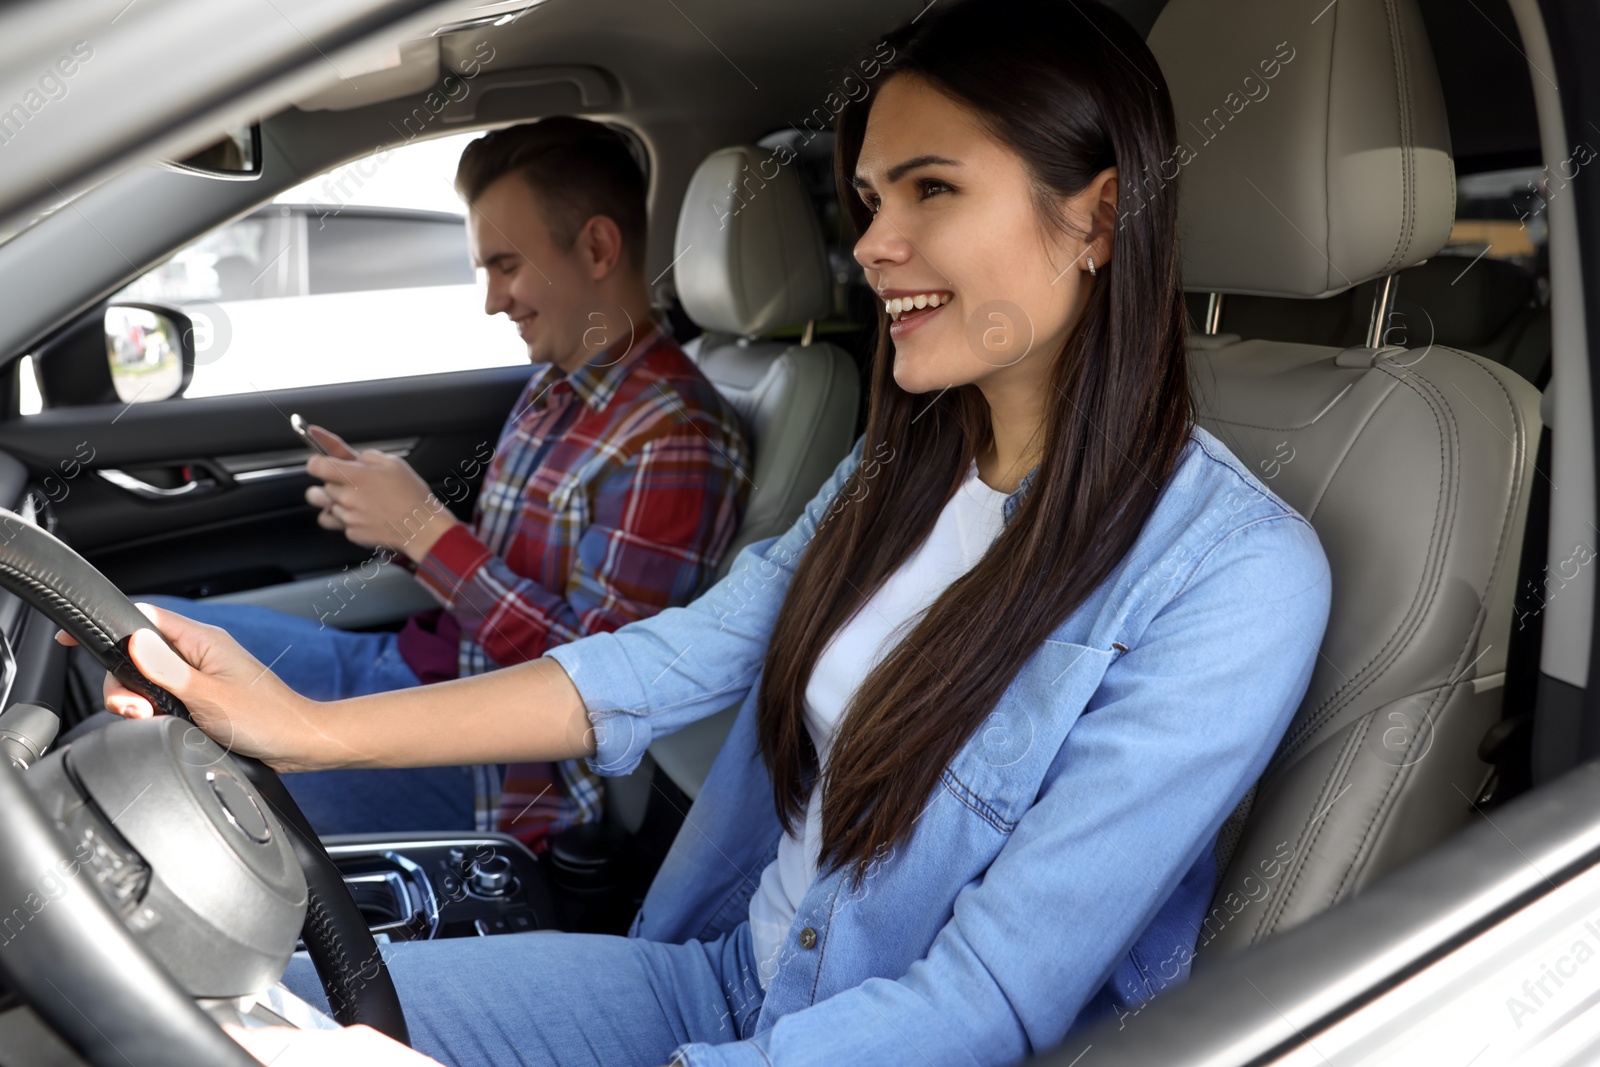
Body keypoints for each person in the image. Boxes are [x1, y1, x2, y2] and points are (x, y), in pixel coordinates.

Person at [92, 1, 1332, 1063]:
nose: (871, 245)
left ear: (1098, 219)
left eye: (931, 189)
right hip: (716, 979)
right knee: (232, 1021)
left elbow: (991, 999)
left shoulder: (1232, 576)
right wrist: (304, 734)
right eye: (865, 198)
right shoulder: (897, 469)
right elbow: (662, 661)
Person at [128, 116, 751, 848]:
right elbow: (507, 576)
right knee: (139, 633)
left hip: (500, 769)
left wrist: (426, 531)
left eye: (507, 264)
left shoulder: (671, 434)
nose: (491, 299)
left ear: (597, 247)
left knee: (159, 767)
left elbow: (604, 683)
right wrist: (395, 527)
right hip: (422, 667)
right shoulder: (557, 387)